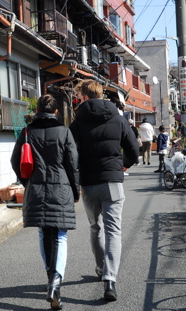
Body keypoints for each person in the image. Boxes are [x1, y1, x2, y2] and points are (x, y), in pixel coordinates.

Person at [69, 80, 139, 302]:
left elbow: (71, 155)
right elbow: (134, 150)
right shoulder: (118, 118)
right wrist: (123, 164)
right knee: (114, 230)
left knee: (95, 227)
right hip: (113, 182)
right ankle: (110, 279)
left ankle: (100, 269)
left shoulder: (77, 122)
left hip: (89, 183)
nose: (78, 100)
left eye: (79, 97)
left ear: (85, 97)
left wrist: (75, 181)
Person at [11, 94, 80, 310]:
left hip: (36, 189)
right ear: (56, 112)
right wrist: (75, 189)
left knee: (43, 232)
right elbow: (73, 164)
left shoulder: (27, 132)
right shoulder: (64, 131)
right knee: (59, 235)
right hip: (61, 189)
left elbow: (16, 161)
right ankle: (56, 281)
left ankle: (50, 276)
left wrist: (28, 182)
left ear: (38, 111)